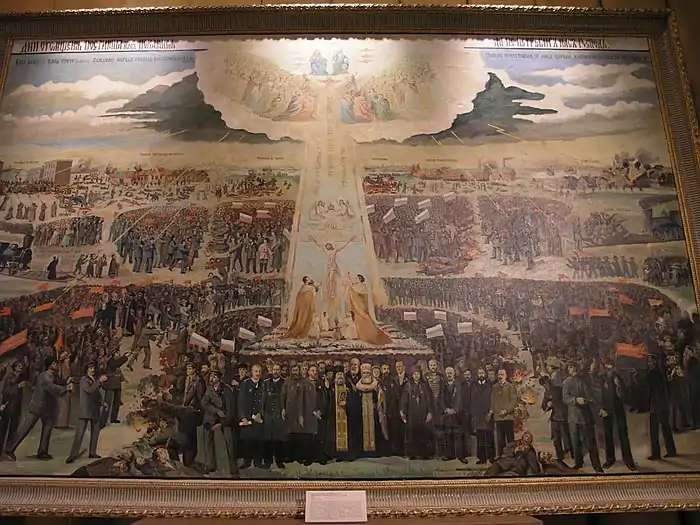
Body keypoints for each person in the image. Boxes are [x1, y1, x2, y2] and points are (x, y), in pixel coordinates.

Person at [4, 356, 73, 461]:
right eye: (54, 363)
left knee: (47, 428)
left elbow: (58, 381)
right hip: (38, 407)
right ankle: (10, 449)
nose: (56, 365)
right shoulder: (45, 376)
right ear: (50, 365)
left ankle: (42, 452)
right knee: (26, 429)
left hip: (46, 409)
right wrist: (66, 388)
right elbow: (53, 388)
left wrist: (66, 381)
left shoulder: (51, 375)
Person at [563, 361, 604, 473]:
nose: (572, 369)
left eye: (573, 366)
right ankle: (578, 463)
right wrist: (575, 400)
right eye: (570, 367)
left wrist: (595, 406)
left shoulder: (584, 380)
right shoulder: (566, 382)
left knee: (591, 442)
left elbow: (590, 396)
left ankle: (596, 466)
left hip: (585, 416)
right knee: (575, 442)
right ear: (567, 370)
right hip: (573, 417)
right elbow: (565, 398)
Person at [67, 363, 107, 463]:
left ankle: (92, 452)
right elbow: (90, 390)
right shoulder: (84, 380)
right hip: (85, 410)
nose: (92, 370)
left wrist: (103, 402)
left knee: (95, 431)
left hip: (94, 409)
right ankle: (73, 454)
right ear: (86, 370)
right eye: (90, 368)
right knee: (80, 433)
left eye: (93, 368)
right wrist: (99, 381)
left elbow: (96, 393)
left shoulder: (93, 380)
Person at [599, 361, 636, 471]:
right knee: (608, 435)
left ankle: (628, 460)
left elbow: (624, 395)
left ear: (614, 368)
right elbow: (598, 394)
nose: (609, 371)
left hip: (618, 409)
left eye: (611, 369)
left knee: (623, 434)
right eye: (607, 369)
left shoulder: (618, 378)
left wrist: (619, 386)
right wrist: (600, 408)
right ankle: (610, 459)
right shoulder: (601, 378)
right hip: (606, 409)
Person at [201, 370, 239, 476]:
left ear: (219, 378)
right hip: (211, 419)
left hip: (225, 419)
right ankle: (210, 465)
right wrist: (216, 410)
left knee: (229, 442)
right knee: (208, 441)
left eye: (214, 377)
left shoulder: (227, 391)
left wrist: (222, 423)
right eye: (210, 376)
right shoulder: (209, 389)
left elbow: (230, 411)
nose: (211, 379)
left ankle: (233, 468)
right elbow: (204, 403)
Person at [238, 363, 266, 469]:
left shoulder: (264, 384)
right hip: (247, 418)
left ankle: (258, 462)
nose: (258, 373)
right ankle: (247, 461)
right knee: (247, 440)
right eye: (256, 371)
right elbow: (241, 402)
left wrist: (260, 413)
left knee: (259, 441)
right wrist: (243, 417)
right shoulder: (245, 384)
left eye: (259, 371)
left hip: (259, 418)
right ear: (251, 372)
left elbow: (265, 402)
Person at [490, 369, 517, 457]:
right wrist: (492, 411)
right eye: (499, 374)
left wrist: (506, 410)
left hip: (508, 417)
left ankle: (511, 456)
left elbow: (513, 401)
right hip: (498, 418)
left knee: (510, 438)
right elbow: (492, 401)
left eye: (502, 374)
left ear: (506, 376)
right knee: (499, 439)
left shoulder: (511, 387)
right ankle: (501, 457)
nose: (500, 376)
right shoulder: (495, 387)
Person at [470, 367, 494, 464]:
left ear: (485, 374)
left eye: (482, 373)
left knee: (489, 436)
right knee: (480, 438)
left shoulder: (490, 385)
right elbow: (471, 400)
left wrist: (490, 412)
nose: (481, 374)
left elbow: (493, 399)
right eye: (479, 373)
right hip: (478, 415)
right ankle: (482, 458)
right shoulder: (473, 386)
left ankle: (491, 457)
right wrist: (473, 414)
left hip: (488, 415)